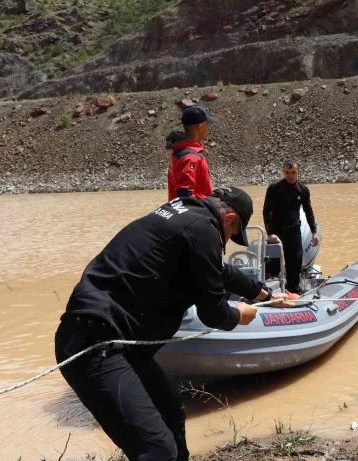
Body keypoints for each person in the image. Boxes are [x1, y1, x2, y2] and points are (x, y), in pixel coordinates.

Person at [54, 187, 292, 461]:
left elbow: (221, 271)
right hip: (94, 345)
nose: (227, 242)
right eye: (232, 234)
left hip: (119, 343)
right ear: (228, 219)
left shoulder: (185, 214)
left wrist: (266, 295)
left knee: (171, 411)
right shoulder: (203, 230)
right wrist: (240, 315)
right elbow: (213, 314)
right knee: (157, 451)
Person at [263, 160, 319, 294]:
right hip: (276, 232)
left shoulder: (303, 190)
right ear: (283, 172)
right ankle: (269, 291)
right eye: (287, 172)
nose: (290, 175)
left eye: (293, 172)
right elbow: (266, 211)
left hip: (294, 231)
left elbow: (308, 211)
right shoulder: (274, 188)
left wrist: (314, 232)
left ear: (298, 172)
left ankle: (293, 289)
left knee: (295, 261)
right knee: (273, 264)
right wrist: (269, 233)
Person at [166, 104, 214, 200]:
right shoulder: (191, 157)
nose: (209, 127)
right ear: (200, 126)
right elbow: (185, 195)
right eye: (207, 124)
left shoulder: (180, 151)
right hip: (198, 213)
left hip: (184, 211)